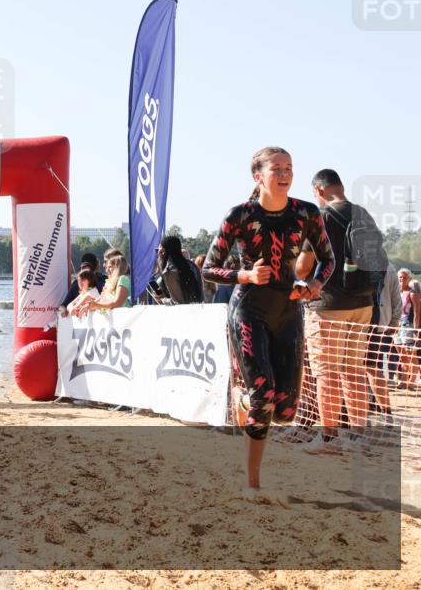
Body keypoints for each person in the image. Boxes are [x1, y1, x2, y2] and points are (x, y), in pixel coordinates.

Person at [202, 147, 334, 501]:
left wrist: (316, 285)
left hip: (288, 311)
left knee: (286, 412)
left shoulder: (306, 213)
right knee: (264, 398)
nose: (284, 174)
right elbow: (208, 268)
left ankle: (246, 403)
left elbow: (329, 260)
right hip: (249, 311)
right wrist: (244, 274)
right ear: (258, 176)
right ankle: (253, 484)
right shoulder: (240, 215)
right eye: (276, 168)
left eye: (289, 168)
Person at [300, 169, 385, 450]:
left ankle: (328, 438)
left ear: (320, 190)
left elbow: (302, 267)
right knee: (354, 370)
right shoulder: (363, 214)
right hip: (362, 303)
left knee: (326, 373)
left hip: (328, 305)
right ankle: (359, 438)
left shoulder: (320, 218)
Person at [364, 263, 402, 418]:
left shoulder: (355, 260)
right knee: (372, 367)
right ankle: (384, 412)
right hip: (380, 324)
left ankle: (380, 412)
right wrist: (393, 322)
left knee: (364, 368)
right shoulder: (390, 267)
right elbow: (396, 298)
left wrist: (394, 322)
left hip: (361, 323)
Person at [151, 235, 204, 305]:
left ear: (163, 252)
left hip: (182, 314)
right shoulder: (192, 266)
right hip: (198, 310)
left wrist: (163, 299)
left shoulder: (169, 271)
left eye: (158, 250)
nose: (157, 254)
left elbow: (178, 303)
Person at [394, 270, 420, 389]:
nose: (401, 280)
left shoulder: (412, 293)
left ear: (408, 279)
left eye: (404, 278)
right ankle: (404, 380)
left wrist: (416, 330)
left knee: (411, 354)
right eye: (399, 277)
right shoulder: (396, 293)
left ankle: (413, 381)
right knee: (402, 355)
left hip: (408, 325)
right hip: (397, 326)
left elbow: (417, 313)